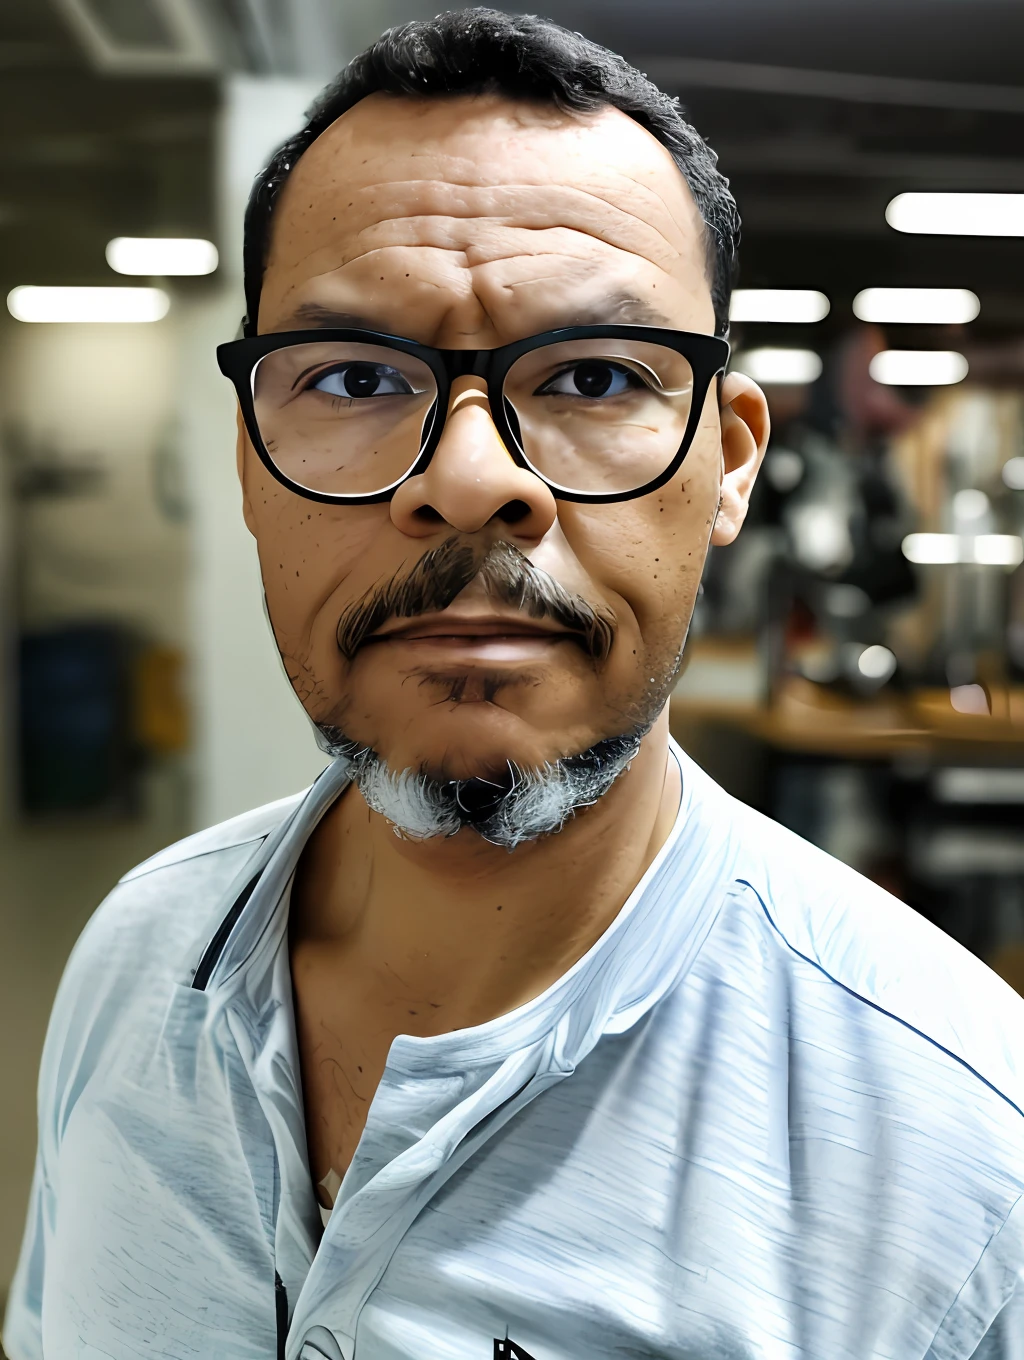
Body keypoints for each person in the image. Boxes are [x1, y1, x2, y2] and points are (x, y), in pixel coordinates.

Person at [6, 11, 1024, 1359]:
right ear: (251, 462)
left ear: (729, 463)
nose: (473, 478)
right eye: (357, 375)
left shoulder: (965, 1146)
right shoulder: (138, 958)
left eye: (595, 376)